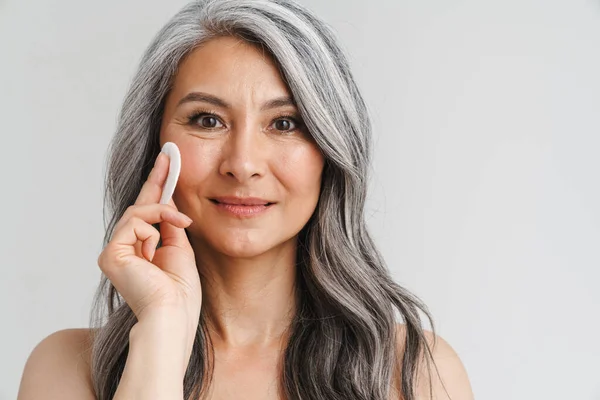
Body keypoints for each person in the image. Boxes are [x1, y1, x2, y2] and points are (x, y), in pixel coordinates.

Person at [17, 0, 474, 399]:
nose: (243, 163)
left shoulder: (414, 372)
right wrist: (161, 330)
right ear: (154, 144)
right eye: (208, 120)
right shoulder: (67, 369)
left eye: (285, 124)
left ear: (330, 153)